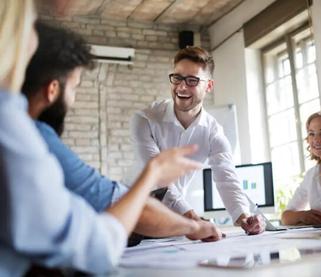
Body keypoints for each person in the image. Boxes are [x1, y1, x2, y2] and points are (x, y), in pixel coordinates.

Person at [0, 1, 206, 275]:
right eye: (74, 88)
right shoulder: (23, 134)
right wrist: (154, 176)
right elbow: (95, 245)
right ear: (52, 90)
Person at [22, 21, 221, 242]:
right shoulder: (38, 142)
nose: (73, 98)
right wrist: (194, 225)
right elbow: (126, 208)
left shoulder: (15, 130)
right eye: (75, 87)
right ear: (52, 90)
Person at [130, 46, 265, 235]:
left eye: (192, 80)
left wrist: (244, 217)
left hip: (173, 223)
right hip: (132, 218)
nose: (181, 87)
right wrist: (194, 220)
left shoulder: (213, 132)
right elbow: (158, 177)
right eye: (177, 78)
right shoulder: (145, 120)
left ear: (208, 86)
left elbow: (226, 178)